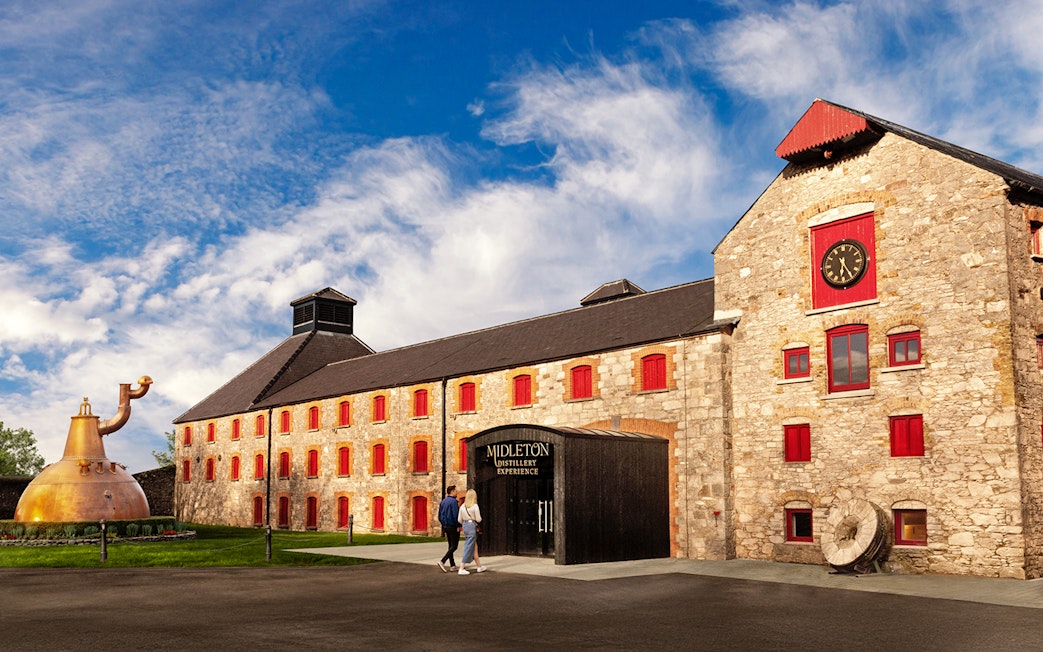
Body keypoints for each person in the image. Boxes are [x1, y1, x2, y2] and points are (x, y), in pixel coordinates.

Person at [457, 488, 485, 575]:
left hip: (465, 526)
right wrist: (472, 519)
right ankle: (461, 567)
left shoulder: (462, 506)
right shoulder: (475, 506)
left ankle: (479, 566)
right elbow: (479, 519)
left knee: (474, 547)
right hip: (472, 526)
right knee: (469, 546)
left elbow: (459, 520)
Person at [436, 486, 460, 572]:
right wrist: (458, 525)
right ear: (452, 491)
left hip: (446, 526)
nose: (457, 492)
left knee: (450, 545)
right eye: (456, 491)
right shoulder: (453, 502)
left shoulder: (443, 501)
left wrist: (443, 524)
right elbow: (455, 515)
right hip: (453, 526)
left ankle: (452, 565)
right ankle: (442, 561)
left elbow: (439, 515)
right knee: (454, 546)